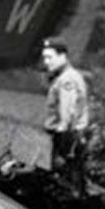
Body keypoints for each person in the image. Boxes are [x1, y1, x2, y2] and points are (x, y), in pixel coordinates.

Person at [41, 37, 89, 195]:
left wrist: (62, 149)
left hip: (67, 139)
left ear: (62, 56)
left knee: (64, 186)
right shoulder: (67, 77)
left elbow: (66, 117)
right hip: (70, 138)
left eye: (50, 57)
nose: (46, 62)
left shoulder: (67, 80)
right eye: (44, 57)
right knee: (70, 182)